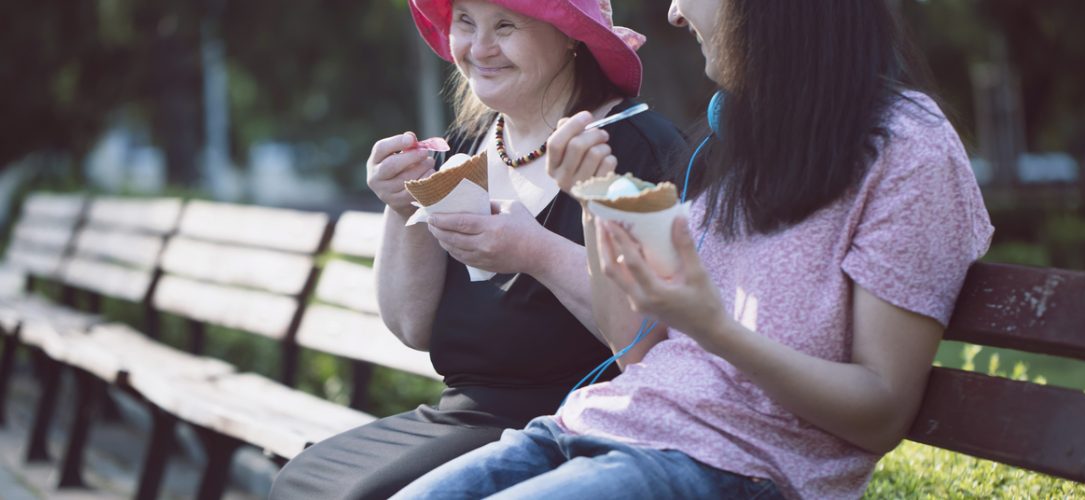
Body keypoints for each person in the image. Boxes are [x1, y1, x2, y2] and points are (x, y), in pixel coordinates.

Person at [392, 0, 994, 499]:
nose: (676, 13)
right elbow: (636, 352)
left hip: (735, 467)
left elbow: (882, 413)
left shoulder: (911, 150)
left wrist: (713, 327)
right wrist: (593, 201)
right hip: (597, 428)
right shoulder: (741, 145)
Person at [268, 1, 685, 498]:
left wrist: (537, 252)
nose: (479, 48)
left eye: (505, 25)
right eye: (465, 22)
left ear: (571, 35)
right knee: (299, 481)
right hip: (458, 417)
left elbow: (663, 345)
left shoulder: (640, 149)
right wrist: (404, 208)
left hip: (570, 432)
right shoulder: (467, 141)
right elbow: (411, 325)